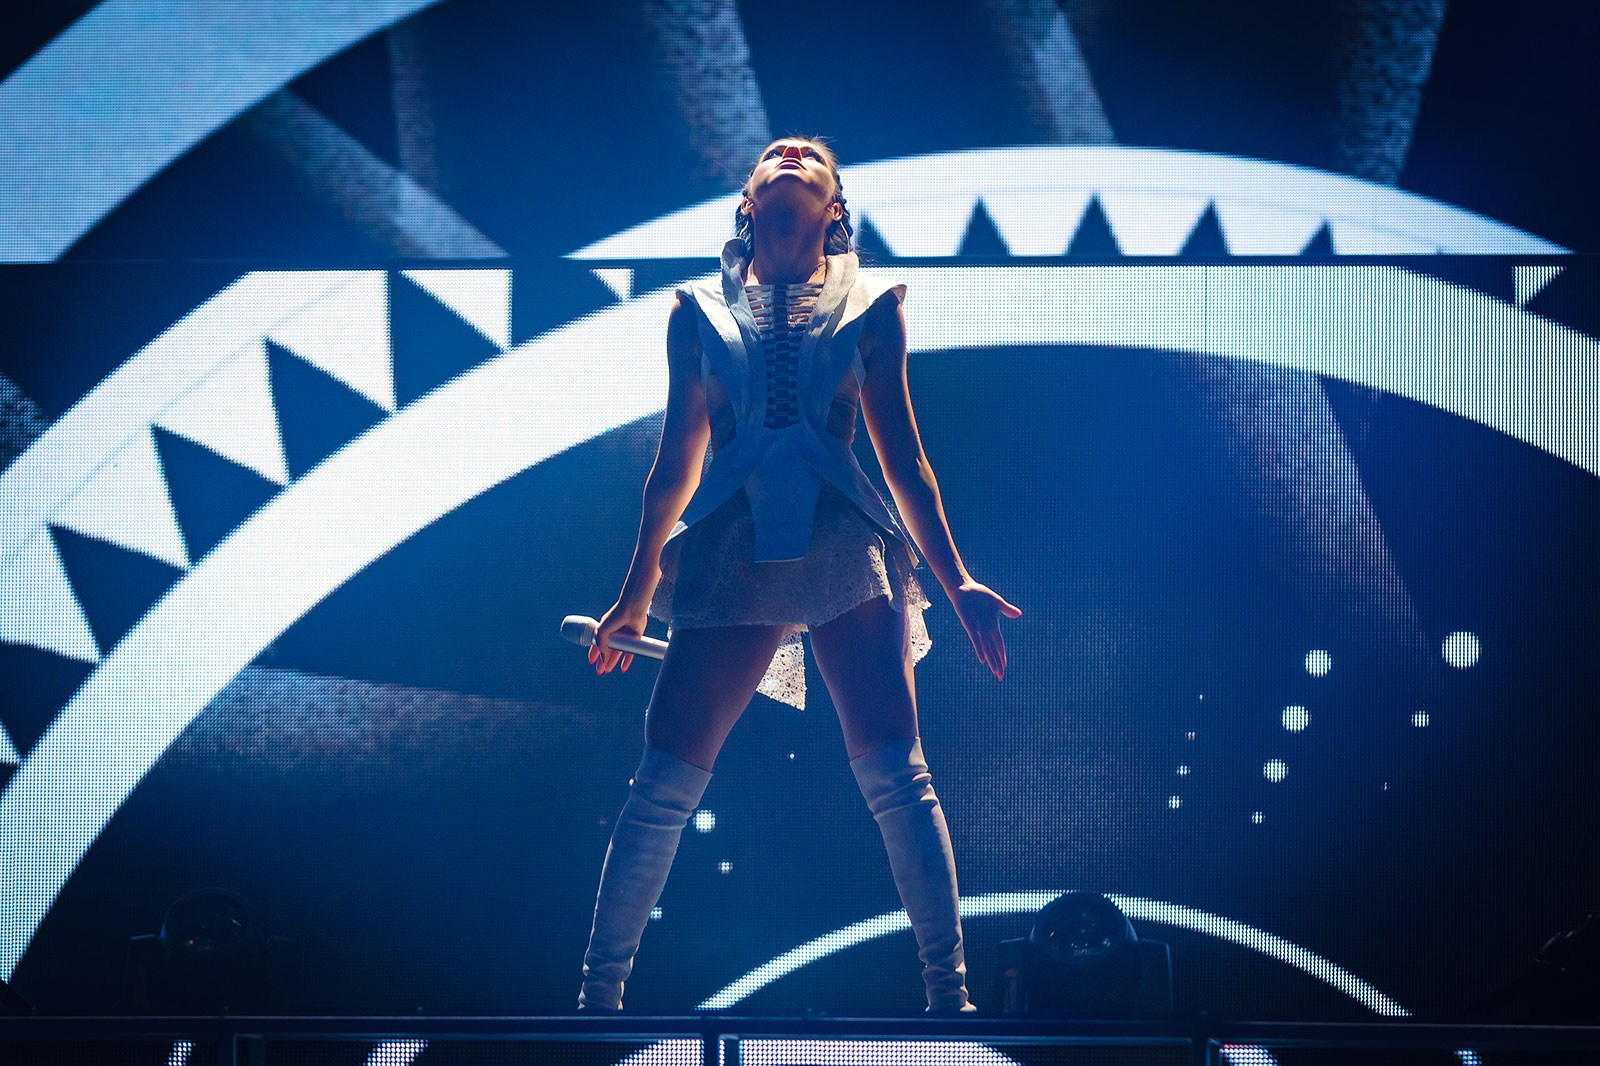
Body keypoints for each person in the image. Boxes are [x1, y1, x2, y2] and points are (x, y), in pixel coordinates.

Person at [578, 136, 1020, 1013]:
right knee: (663, 779)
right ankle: (597, 1000)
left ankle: (949, 995)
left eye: (809, 158)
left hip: (843, 539)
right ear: (749, 200)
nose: (788, 155)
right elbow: (675, 464)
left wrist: (957, 579)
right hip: (731, 543)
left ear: (833, 205)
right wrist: (633, 597)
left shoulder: (873, 305)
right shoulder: (696, 311)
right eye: (774, 155)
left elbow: (905, 462)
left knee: (897, 771)